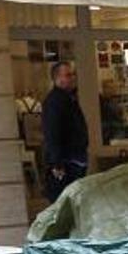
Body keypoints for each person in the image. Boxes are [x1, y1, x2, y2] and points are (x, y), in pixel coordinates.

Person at [41, 61, 89, 202]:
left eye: (73, 74)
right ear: (58, 78)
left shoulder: (69, 98)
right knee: (64, 200)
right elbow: (52, 133)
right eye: (68, 75)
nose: (73, 78)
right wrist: (57, 163)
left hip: (75, 158)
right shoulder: (55, 102)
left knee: (74, 199)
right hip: (66, 162)